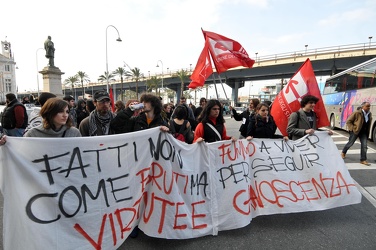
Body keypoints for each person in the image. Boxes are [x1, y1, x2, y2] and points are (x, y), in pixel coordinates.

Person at [341, 101, 372, 166]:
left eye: (369, 106)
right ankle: (343, 152)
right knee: (350, 143)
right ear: (363, 106)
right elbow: (349, 121)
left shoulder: (369, 114)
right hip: (356, 131)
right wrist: (352, 129)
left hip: (363, 132)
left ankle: (363, 160)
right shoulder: (357, 113)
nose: (368, 108)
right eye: (367, 106)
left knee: (364, 145)